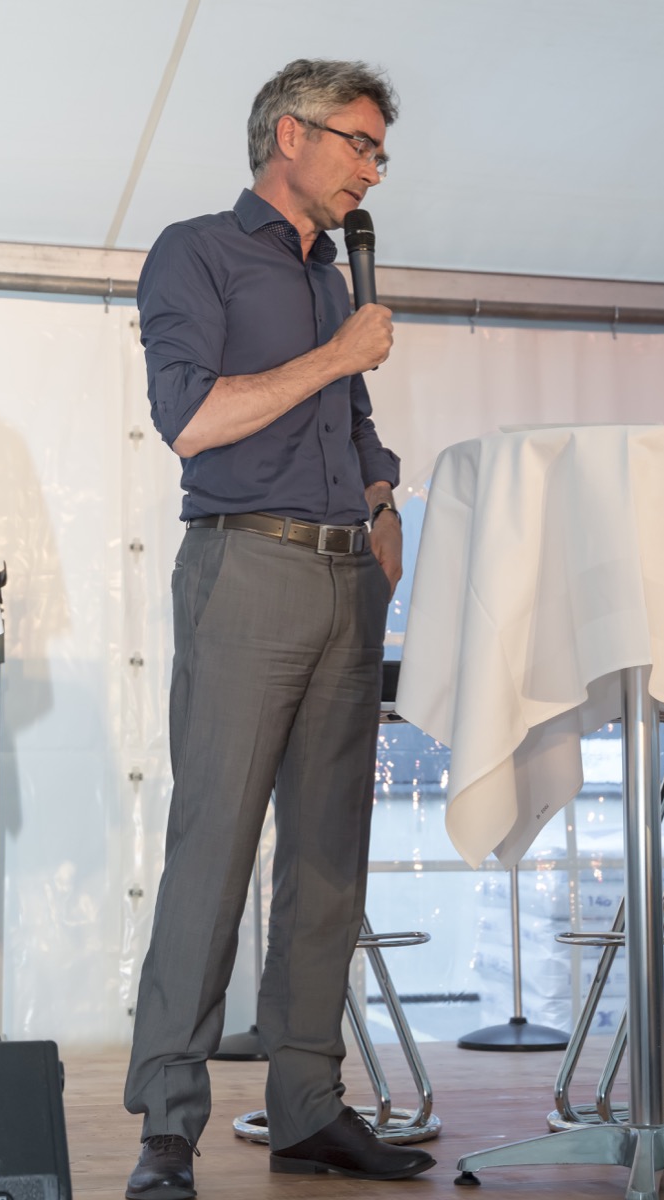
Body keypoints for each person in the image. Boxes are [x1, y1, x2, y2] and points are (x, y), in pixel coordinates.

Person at [123, 58, 436, 1198]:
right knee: (212, 851)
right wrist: (337, 355)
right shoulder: (196, 251)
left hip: (346, 578)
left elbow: (352, 420)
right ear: (290, 136)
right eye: (360, 143)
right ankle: (167, 1129)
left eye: (380, 152)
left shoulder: (332, 279)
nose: (373, 169)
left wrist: (383, 502)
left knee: (326, 861)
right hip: (245, 567)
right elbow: (191, 420)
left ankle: (307, 1106)